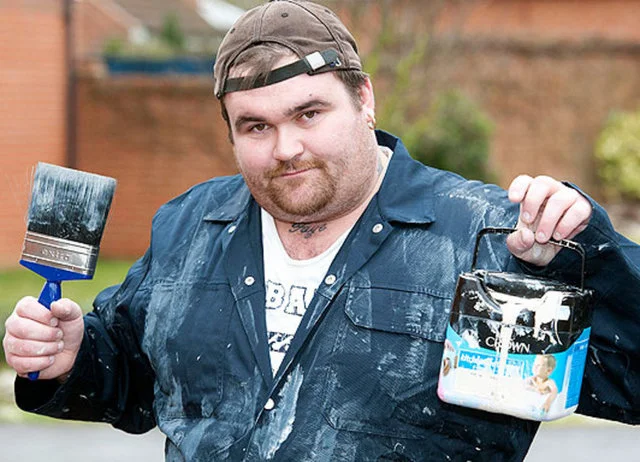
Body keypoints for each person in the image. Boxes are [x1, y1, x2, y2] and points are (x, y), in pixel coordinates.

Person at [3, 1, 639, 460]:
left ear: (364, 100)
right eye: (256, 126)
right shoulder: (190, 227)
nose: (286, 148)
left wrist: (589, 256)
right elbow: (136, 379)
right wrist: (72, 359)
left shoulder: (485, 238)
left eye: (309, 113)